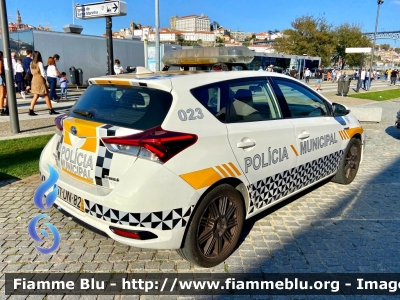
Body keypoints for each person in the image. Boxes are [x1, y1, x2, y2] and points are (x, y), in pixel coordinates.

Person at [28, 51, 59, 116]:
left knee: (36, 95)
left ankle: (31, 109)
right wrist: (46, 79)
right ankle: (51, 109)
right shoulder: (39, 63)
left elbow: (31, 72)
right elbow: (43, 73)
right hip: (40, 79)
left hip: (34, 79)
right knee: (46, 94)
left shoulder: (31, 63)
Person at [0, 51, 8, 116]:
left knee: (3, 94)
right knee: (3, 94)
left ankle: (2, 108)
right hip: (2, 78)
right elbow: (0, 71)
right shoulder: (0, 61)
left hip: (2, 78)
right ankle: (2, 109)